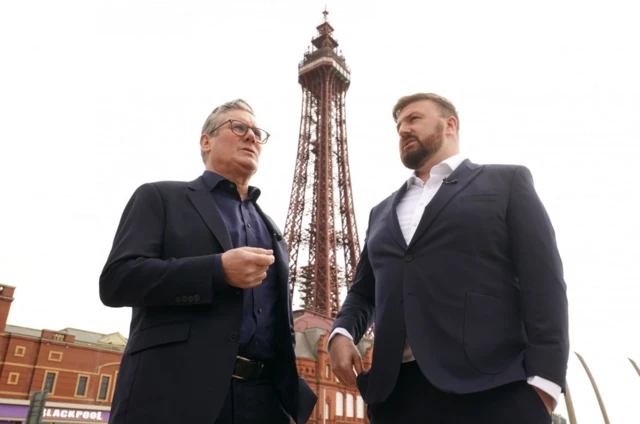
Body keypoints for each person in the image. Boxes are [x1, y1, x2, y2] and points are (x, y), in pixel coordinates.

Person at [328, 93, 569, 423]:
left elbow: (544, 284)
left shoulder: (506, 182)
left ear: (450, 125)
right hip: (397, 397)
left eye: (414, 119)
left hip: (492, 388)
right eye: (398, 125)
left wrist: (546, 382)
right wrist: (341, 333)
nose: (402, 129)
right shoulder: (381, 212)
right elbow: (363, 291)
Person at [99, 99, 317, 424]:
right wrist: (216, 271)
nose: (251, 137)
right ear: (206, 140)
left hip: (263, 404)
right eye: (239, 127)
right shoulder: (160, 197)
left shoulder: (273, 231)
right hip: (174, 395)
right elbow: (117, 281)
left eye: (258, 132)